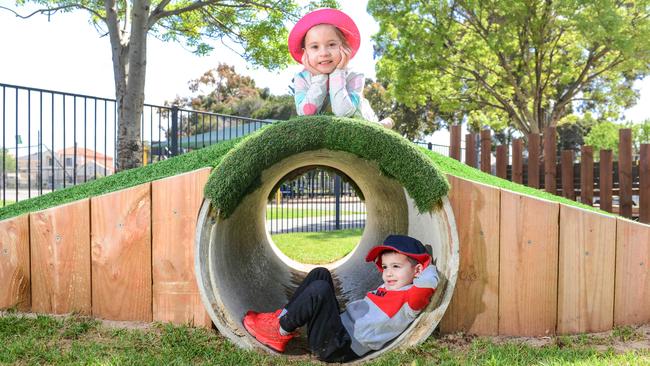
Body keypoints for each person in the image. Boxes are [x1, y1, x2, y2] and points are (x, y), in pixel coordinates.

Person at [243, 234, 439, 362]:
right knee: (320, 274)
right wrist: (405, 269)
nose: (388, 274)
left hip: (339, 347)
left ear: (418, 270)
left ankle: (279, 330)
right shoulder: (392, 284)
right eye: (385, 267)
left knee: (319, 290)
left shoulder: (411, 298)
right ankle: (282, 320)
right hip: (338, 329)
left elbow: (428, 283)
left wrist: (426, 264)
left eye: (396, 267)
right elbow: (397, 273)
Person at [288, 8, 394, 128]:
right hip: (325, 127)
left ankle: (384, 124)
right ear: (305, 53)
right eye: (315, 47)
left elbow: (343, 113)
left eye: (332, 44)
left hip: (360, 120)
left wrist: (338, 73)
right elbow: (306, 113)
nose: (324, 53)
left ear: (344, 47)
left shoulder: (355, 76)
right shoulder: (301, 78)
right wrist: (319, 78)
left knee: (374, 127)